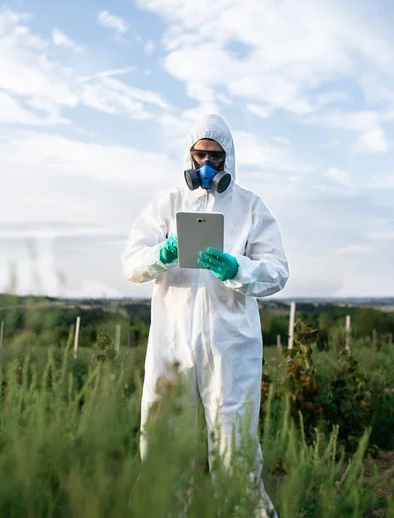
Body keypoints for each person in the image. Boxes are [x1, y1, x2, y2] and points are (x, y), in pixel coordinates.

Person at [122, 114, 289, 517]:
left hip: (231, 345)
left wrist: (239, 271)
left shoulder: (251, 207)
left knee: (237, 450)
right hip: (172, 342)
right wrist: (161, 257)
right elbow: (131, 263)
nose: (207, 165)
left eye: (216, 156)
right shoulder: (167, 204)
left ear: (229, 158)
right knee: (164, 444)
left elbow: (278, 271)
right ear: (190, 154)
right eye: (200, 155)